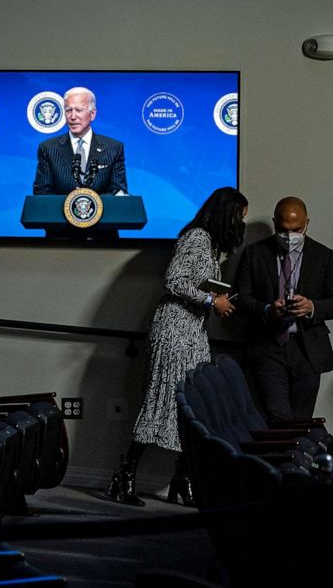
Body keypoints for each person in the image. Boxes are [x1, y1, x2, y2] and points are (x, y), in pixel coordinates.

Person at [106, 187, 248, 506]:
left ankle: (182, 480)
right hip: (174, 328)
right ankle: (124, 476)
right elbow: (173, 280)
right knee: (161, 401)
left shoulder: (211, 245)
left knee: (189, 407)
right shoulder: (197, 237)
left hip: (193, 330)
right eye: (240, 215)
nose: (241, 222)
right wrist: (213, 300)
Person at [234, 196, 333, 422]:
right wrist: (266, 310)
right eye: (283, 230)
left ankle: (295, 457)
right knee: (277, 418)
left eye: (297, 229)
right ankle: (277, 457)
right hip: (267, 347)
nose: (290, 236)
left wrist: (311, 306)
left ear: (307, 224)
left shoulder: (324, 256)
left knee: (301, 421)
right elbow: (240, 298)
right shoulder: (254, 254)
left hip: (308, 349)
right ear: (275, 223)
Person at [32, 87, 127, 196]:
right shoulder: (48, 148)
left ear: (92, 114)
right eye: (68, 110)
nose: (72, 116)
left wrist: (91, 204)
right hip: (59, 213)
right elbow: (42, 193)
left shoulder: (113, 148)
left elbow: (118, 192)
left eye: (78, 110)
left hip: (103, 212)